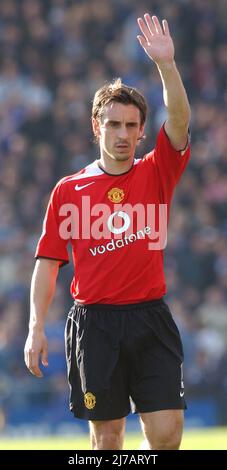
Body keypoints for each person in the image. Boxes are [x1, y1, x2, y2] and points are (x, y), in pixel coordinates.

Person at [24, 13, 191, 450]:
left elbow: (178, 121)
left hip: (151, 316)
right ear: (96, 126)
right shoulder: (69, 189)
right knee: (107, 441)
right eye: (113, 124)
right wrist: (35, 326)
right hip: (94, 324)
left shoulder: (157, 171)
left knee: (167, 435)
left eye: (131, 126)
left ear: (140, 133)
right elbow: (48, 262)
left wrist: (167, 66)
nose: (122, 134)